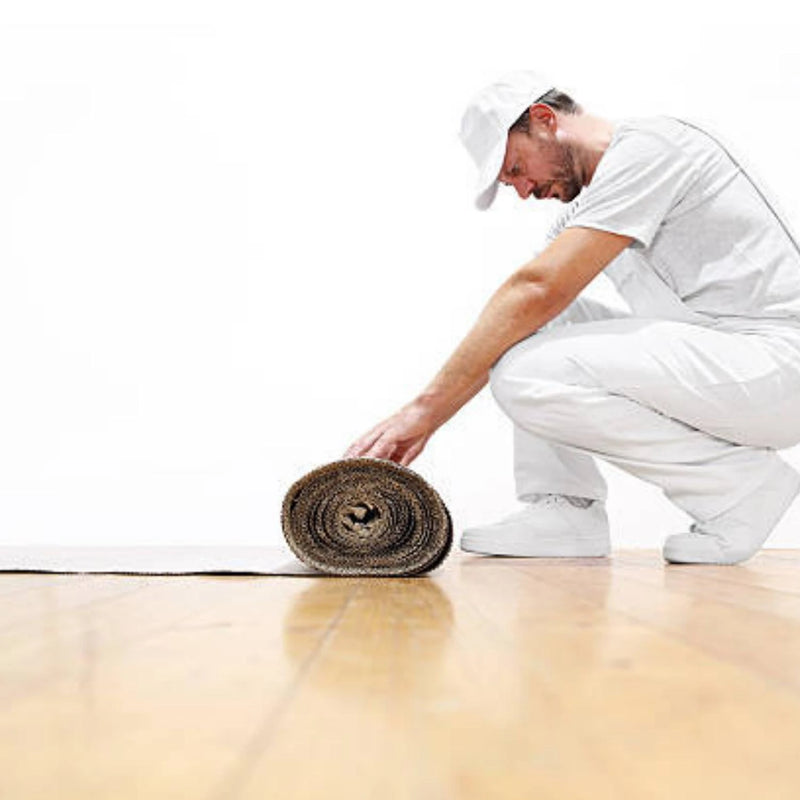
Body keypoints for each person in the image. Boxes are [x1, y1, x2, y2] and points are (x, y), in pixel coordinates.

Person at [343, 70, 800, 565]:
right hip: (734, 365)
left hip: (778, 364)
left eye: (515, 168)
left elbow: (536, 288)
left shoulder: (653, 149)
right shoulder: (602, 197)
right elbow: (525, 312)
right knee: (533, 331)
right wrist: (429, 417)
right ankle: (564, 512)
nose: (522, 192)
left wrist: (423, 414)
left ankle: (738, 488)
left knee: (527, 370)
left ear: (544, 121)